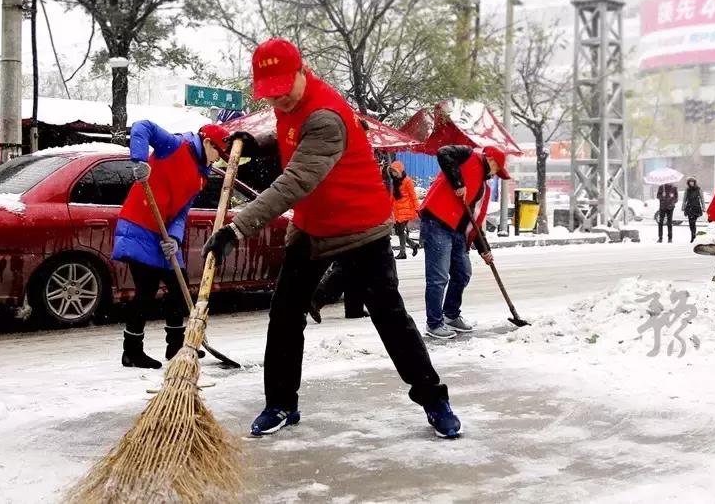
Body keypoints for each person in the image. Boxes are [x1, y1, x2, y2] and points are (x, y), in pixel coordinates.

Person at [202, 38, 460, 438]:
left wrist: (237, 228)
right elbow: (289, 135)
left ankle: (434, 399)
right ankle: (281, 404)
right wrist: (258, 142)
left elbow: (296, 180)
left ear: (302, 72)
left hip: (360, 227)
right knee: (284, 315)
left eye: (283, 90)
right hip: (312, 226)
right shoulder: (289, 104)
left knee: (389, 317)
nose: (278, 100)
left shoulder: (325, 116)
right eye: (270, 94)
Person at [111, 121, 228, 369]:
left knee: (178, 286)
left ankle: (175, 345)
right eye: (218, 152)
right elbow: (143, 127)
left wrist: (174, 239)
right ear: (207, 143)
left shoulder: (201, 175)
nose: (218, 159)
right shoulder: (175, 145)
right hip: (139, 225)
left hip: (163, 234)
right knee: (146, 289)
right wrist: (139, 160)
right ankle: (132, 351)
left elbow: (181, 212)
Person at [418, 144, 510, 340]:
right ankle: (434, 323)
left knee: (462, 273)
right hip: (437, 222)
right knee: (438, 277)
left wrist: (484, 249)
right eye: (497, 169)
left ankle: (451, 315)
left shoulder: (484, 190)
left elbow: (475, 222)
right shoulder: (468, 156)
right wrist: (458, 183)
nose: (495, 174)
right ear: (491, 160)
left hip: (458, 231)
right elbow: (443, 153)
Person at [388, 160, 420, 259]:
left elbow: (413, 195)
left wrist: (417, 208)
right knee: (398, 231)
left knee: (400, 230)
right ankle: (413, 245)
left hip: (406, 209)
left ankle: (402, 253)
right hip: (397, 210)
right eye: (391, 172)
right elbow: (393, 196)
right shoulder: (395, 181)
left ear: (399, 171)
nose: (393, 173)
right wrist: (388, 207)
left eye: (394, 171)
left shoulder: (407, 181)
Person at [682, 177, 705, 242]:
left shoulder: (698, 189)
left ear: (694, 182)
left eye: (692, 182)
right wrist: (683, 206)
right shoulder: (687, 189)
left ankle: (693, 235)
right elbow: (684, 199)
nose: (691, 183)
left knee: (693, 222)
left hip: (696, 207)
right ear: (688, 183)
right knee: (691, 223)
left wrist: (703, 207)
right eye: (690, 182)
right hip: (689, 207)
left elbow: (702, 198)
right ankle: (693, 235)